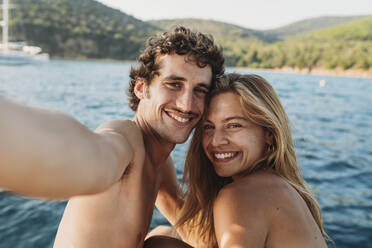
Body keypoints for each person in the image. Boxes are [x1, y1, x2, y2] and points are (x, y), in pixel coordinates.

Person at [0, 26, 224, 248]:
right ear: (141, 88)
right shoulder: (125, 140)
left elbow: (188, 222)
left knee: (163, 238)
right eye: (174, 84)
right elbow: (92, 154)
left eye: (200, 90)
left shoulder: (161, 162)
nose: (187, 104)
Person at [153, 73, 329, 248]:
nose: (216, 141)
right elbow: (189, 224)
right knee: (163, 234)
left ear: (269, 134)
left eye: (234, 125)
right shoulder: (277, 188)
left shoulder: (240, 195)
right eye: (209, 127)